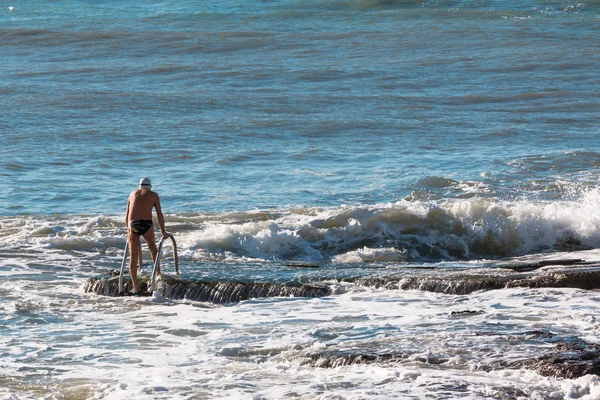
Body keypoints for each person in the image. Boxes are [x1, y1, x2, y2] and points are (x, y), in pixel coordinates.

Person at [125, 177, 168, 294]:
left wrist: (129, 231)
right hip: (146, 223)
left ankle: (135, 288)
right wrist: (163, 231)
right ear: (150, 187)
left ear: (139, 186)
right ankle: (158, 274)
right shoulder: (154, 195)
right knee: (153, 248)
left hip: (132, 224)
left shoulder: (132, 194)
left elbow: (127, 216)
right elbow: (159, 214)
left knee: (133, 258)